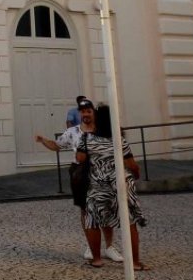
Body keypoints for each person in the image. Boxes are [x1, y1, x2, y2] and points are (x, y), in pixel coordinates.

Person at [35, 99, 123, 263]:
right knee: (86, 210)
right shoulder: (73, 132)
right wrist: (43, 141)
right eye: (83, 112)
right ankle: (92, 245)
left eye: (88, 111)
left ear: (93, 112)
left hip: (102, 172)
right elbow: (57, 145)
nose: (86, 114)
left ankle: (110, 246)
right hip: (81, 172)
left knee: (105, 209)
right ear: (79, 113)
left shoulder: (101, 129)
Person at [78, 104, 147, 270]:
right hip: (121, 184)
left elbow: (80, 159)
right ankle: (135, 262)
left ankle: (96, 259)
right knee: (129, 222)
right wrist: (135, 176)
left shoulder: (87, 139)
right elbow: (133, 165)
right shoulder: (119, 139)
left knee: (92, 220)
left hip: (97, 184)